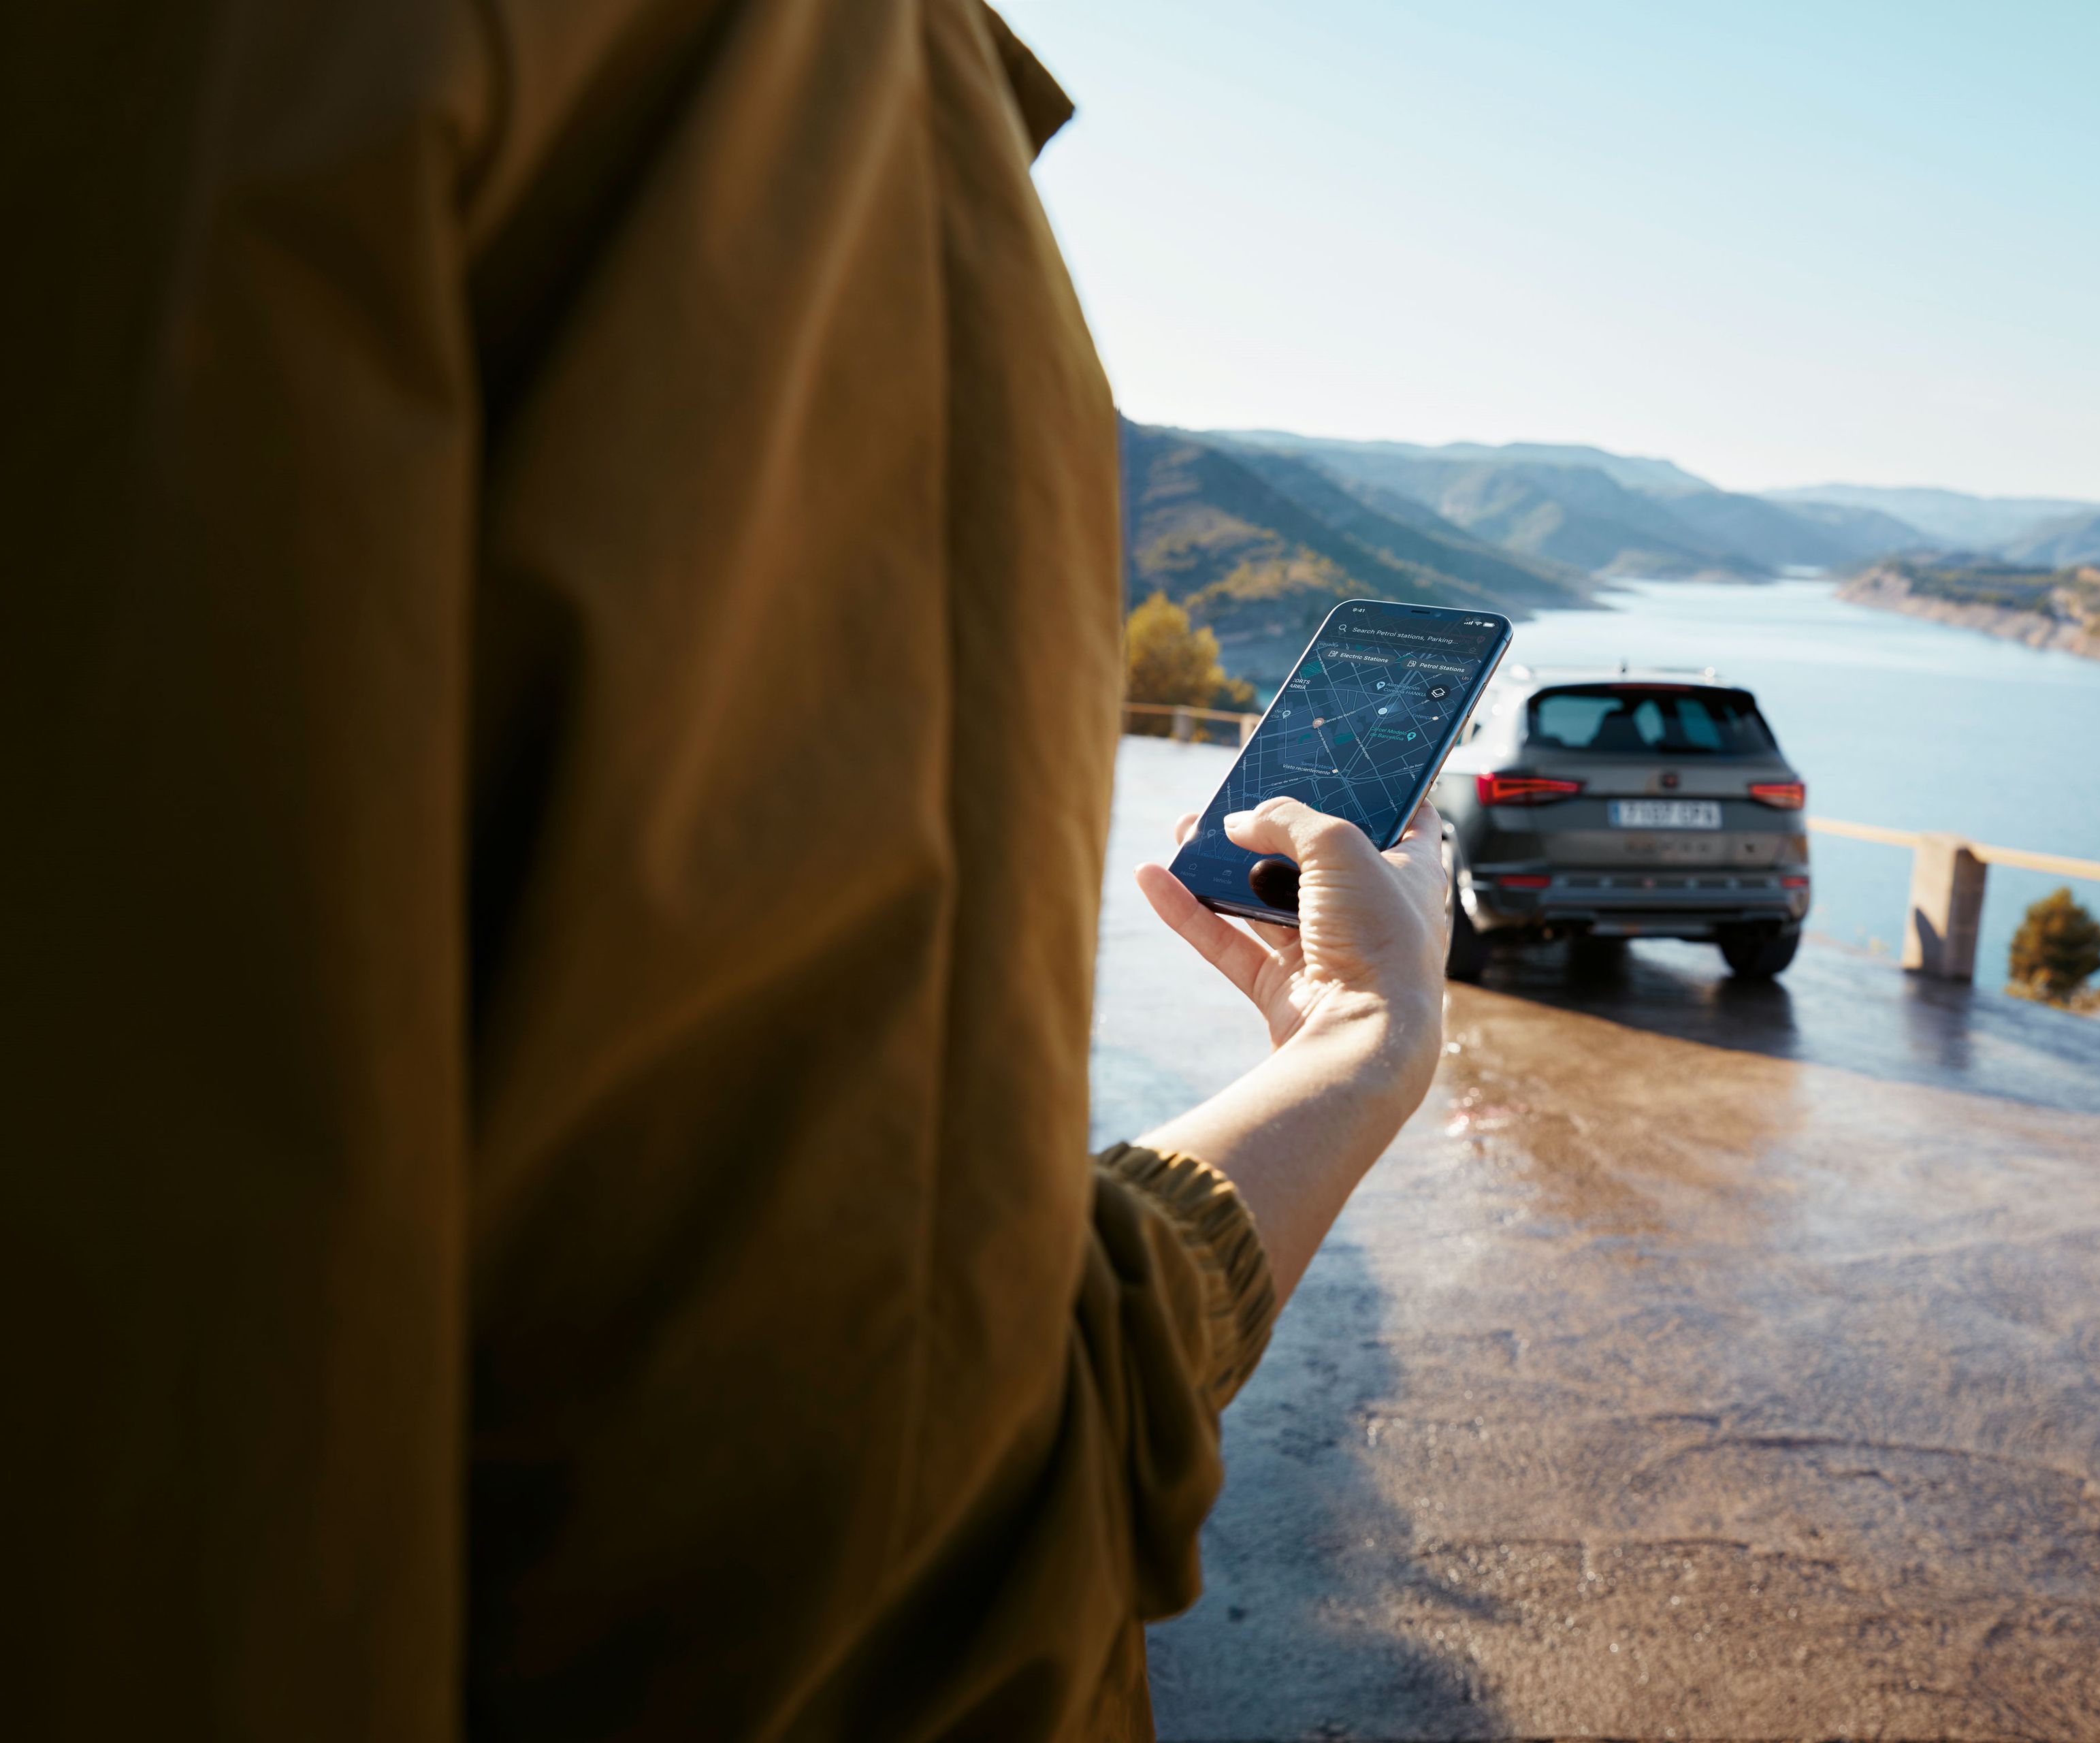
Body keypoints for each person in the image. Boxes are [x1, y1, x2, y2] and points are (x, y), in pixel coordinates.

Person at [1, 1, 1445, 1737]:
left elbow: (899, 1429)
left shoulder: (857, 112)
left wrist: (1350, 1058)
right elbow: (808, 1537)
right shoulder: (715, 80)